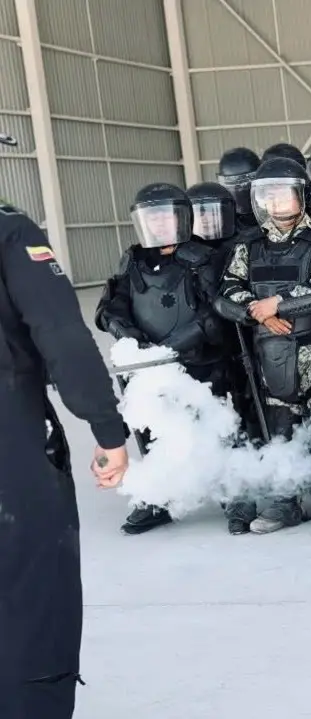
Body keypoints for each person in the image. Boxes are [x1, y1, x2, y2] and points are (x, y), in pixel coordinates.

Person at [0, 132, 130, 718]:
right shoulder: (10, 231)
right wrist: (107, 429)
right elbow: (62, 336)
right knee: (32, 595)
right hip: (11, 446)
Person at [214, 156, 311, 535]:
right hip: (273, 350)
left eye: (284, 194)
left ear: (302, 195)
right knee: (280, 429)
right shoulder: (249, 244)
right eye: (268, 195)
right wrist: (257, 314)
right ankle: (286, 501)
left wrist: (277, 304)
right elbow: (226, 293)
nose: (276, 202)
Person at [95, 183, 229, 535]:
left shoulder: (205, 258)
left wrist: (182, 341)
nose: (158, 224)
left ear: (182, 218)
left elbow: (220, 312)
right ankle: (160, 495)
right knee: (150, 428)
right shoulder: (133, 258)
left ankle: (232, 490)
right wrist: (124, 330)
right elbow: (111, 305)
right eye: (150, 218)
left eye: (165, 216)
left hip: (200, 358)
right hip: (146, 360)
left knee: (214, 425)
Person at [216, 146, 262, 232]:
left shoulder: (274, 209)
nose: (240, 191)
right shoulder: (221, 220)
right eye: (234, 187)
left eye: (245, 186)